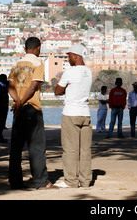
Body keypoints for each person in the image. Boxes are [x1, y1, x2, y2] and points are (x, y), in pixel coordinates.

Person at [8, 37, 55, 190]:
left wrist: (17, 102)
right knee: (36, 147)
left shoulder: (16, 64)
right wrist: (21, 103)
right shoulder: (38, 63)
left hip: (18, 110)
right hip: (32, 108)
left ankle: (15, 181)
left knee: (16, 148)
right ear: (38, 49)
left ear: (25, 49)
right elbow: (33, 86)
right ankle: (41, 181)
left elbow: (10, 87)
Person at [55, 44, 93, 188]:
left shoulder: (69, 72)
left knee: (70, 149)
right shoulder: (89, 72)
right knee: (85, 150)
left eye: (69, 55)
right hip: (85, 114)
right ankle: (85, 180)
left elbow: (57, 91)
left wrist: (65, 90)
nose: (68, 58)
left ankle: (70, 181)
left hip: (71, 113)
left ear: (76, 56)